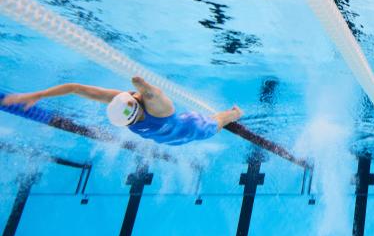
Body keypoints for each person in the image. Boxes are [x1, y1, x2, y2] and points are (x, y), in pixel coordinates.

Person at [1, 77, 242, 146]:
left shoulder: (124, 112)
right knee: (221, 118)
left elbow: (77, 88)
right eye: (135, 96)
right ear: (138, 105)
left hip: (166, 139)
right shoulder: (159, 109)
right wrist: (142, 85)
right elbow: (153, 93)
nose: (131, 94)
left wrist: (38, 95)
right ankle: (236, 113)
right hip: (191, 130)